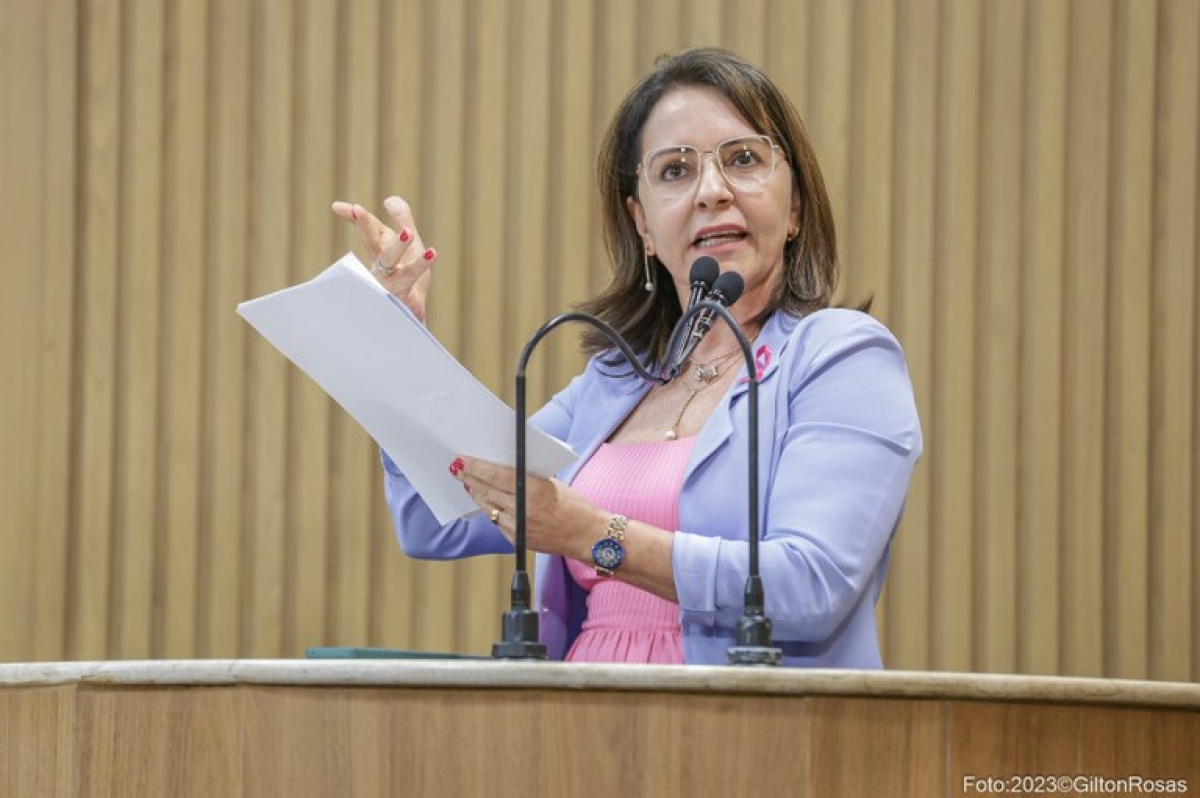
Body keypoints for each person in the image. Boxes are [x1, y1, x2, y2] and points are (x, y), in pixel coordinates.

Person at [331, 47, 922, 667]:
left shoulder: (841, 356)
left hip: (751, 737)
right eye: (675, 171)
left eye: (744, 159)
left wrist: (591, 535)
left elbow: (812, 584)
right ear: (641, 223)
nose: (713, 191)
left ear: (795, 204)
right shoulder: (615, 382)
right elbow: (440, 514)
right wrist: (396, 339)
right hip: (579, 733)